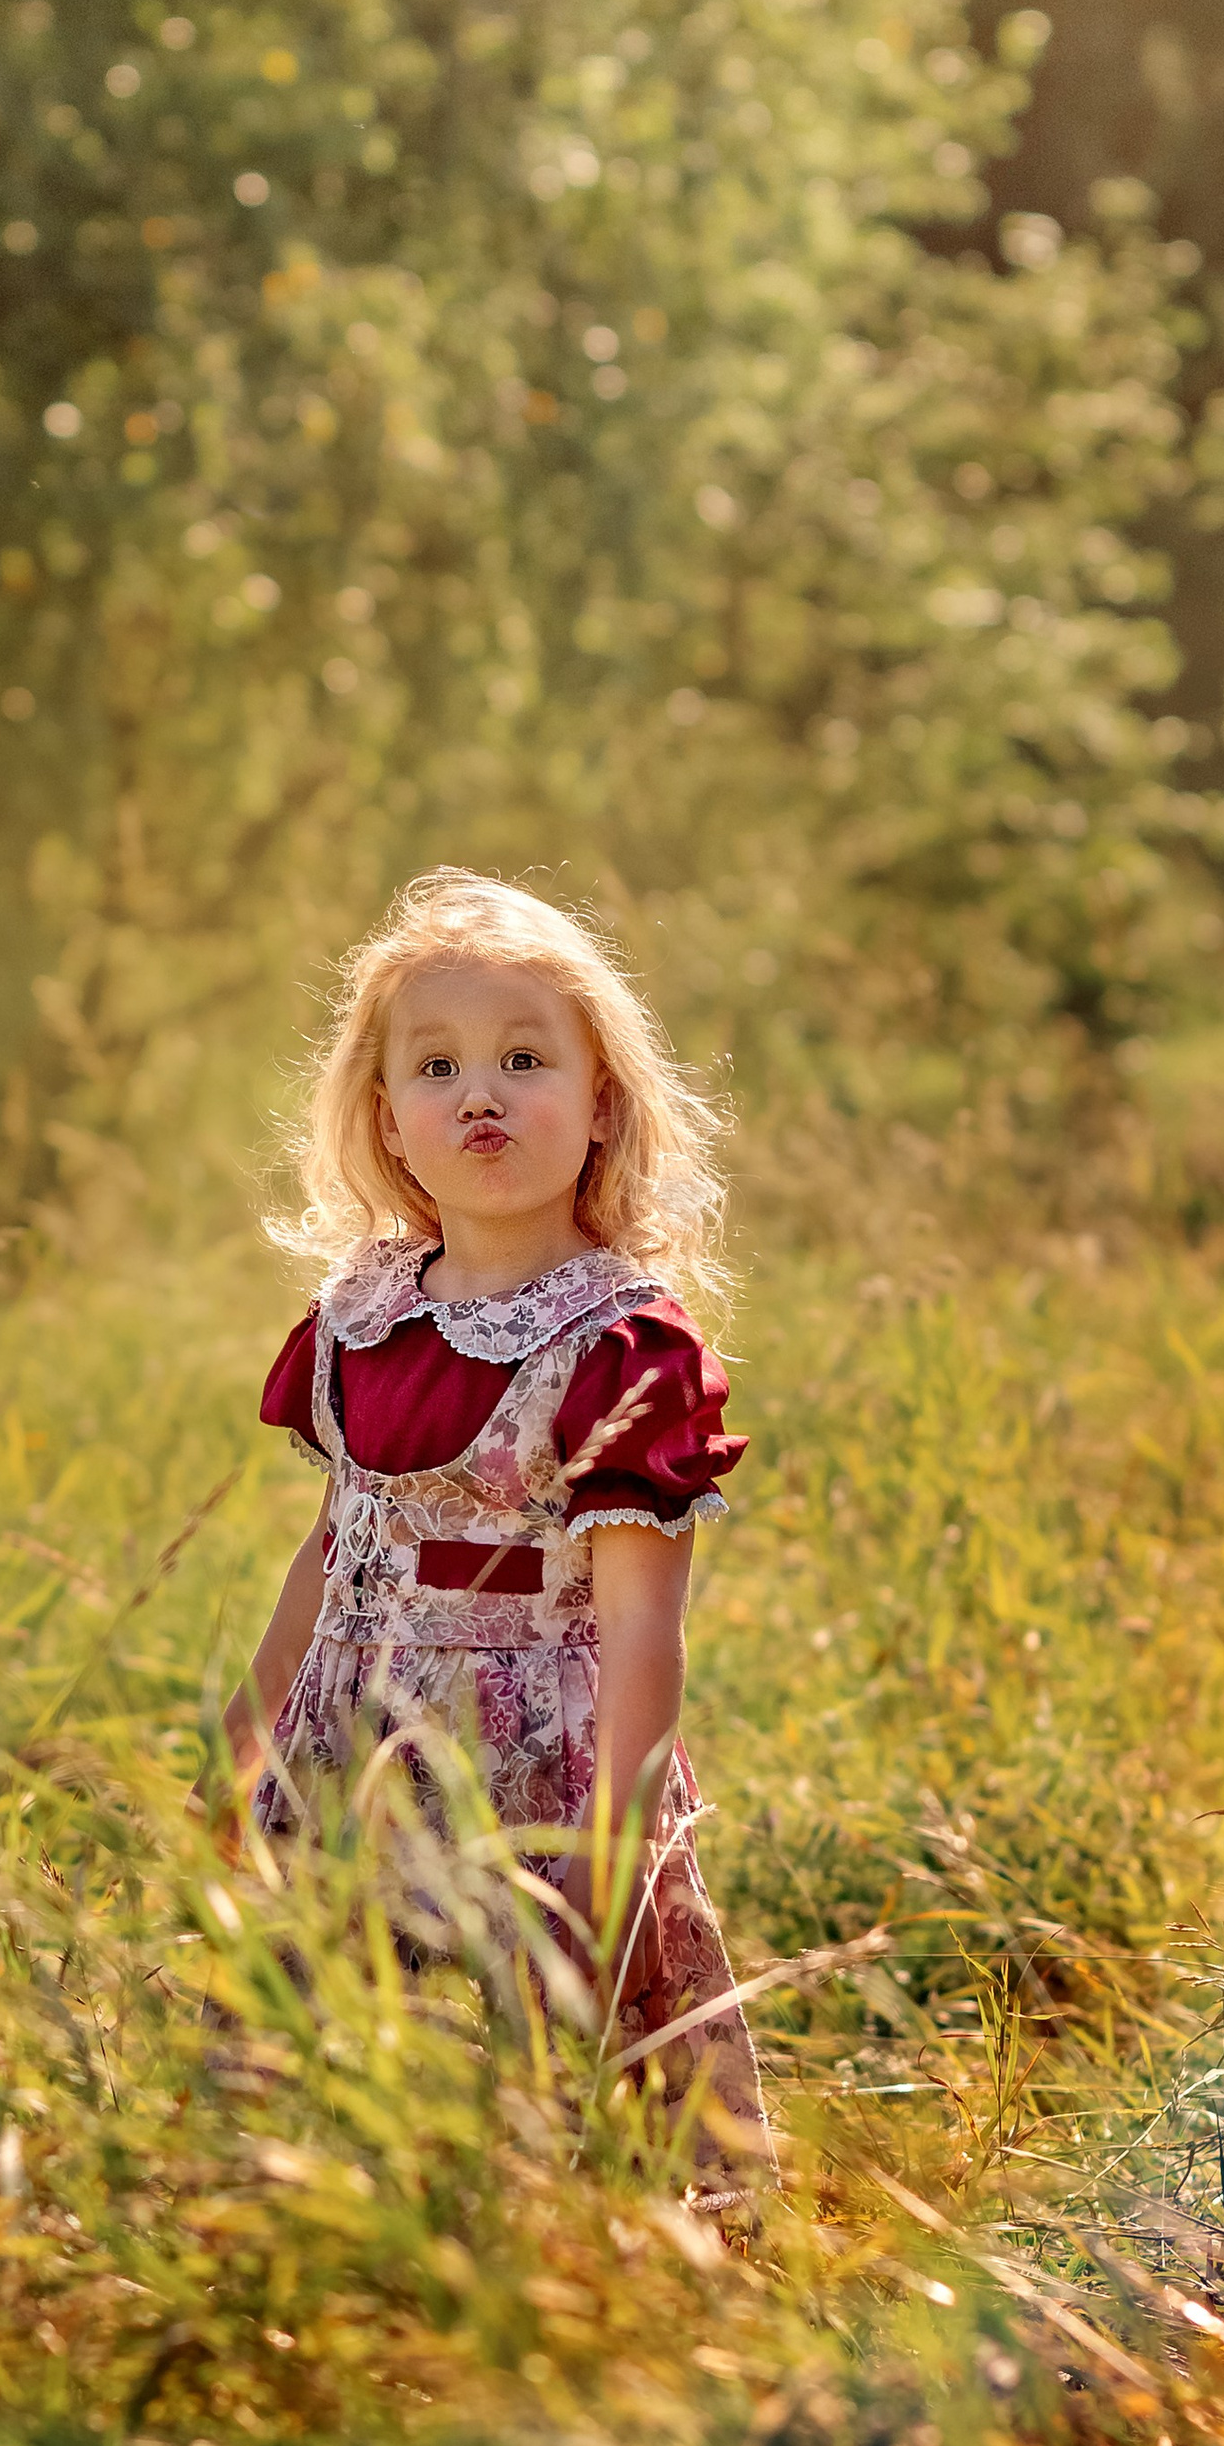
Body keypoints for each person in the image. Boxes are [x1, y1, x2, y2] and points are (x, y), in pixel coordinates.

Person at [223, 867, 770, 2165]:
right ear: (388, 1120)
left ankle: (624, 2264)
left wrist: (617, 1839)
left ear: (598, 1104)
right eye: (438, 1065)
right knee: (318, 2031)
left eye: (524, 1058)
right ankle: (335, 2230)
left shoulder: (619, 1343)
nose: (479, 1091)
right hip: (350, 1743)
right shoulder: (361, 1319)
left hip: (541, 1765)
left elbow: (643, 1627)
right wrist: (249, 1736)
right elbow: (335, 1546)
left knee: (578, 2041)